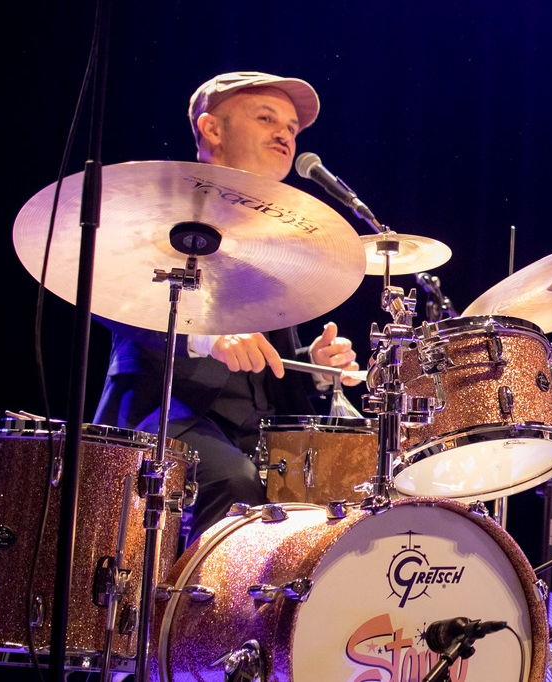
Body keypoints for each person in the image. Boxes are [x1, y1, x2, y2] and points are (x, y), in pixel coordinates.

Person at [95, 72, 362, 539]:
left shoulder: (279, 240)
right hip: (163, 412)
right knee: (234, 480)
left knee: (340, 488)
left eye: (293, 127)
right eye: (266, 118)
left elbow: (266, 361)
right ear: (212, 129)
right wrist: (207, 335)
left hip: (255, 430)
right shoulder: (158, 206)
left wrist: (316, 369)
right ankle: (200, 614)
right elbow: (111, 298)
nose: (285, 134)